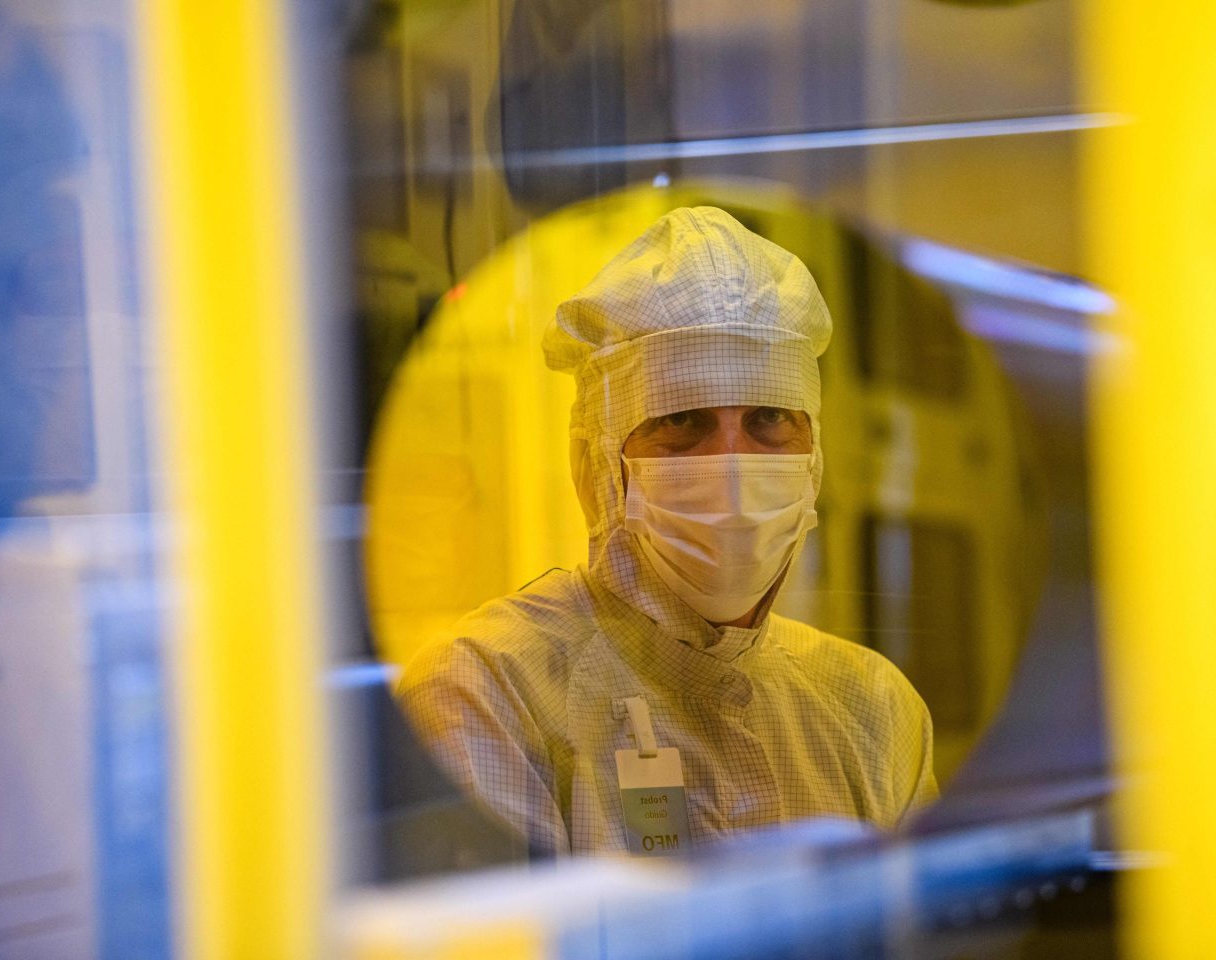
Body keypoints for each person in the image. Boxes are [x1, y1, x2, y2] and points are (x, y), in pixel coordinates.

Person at [397, 206, 936, 857]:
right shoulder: (487, 695)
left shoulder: (873, 707)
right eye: (682, 422)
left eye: (769, 417)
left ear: (814, 456)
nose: (733, 470)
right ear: (597, 462)